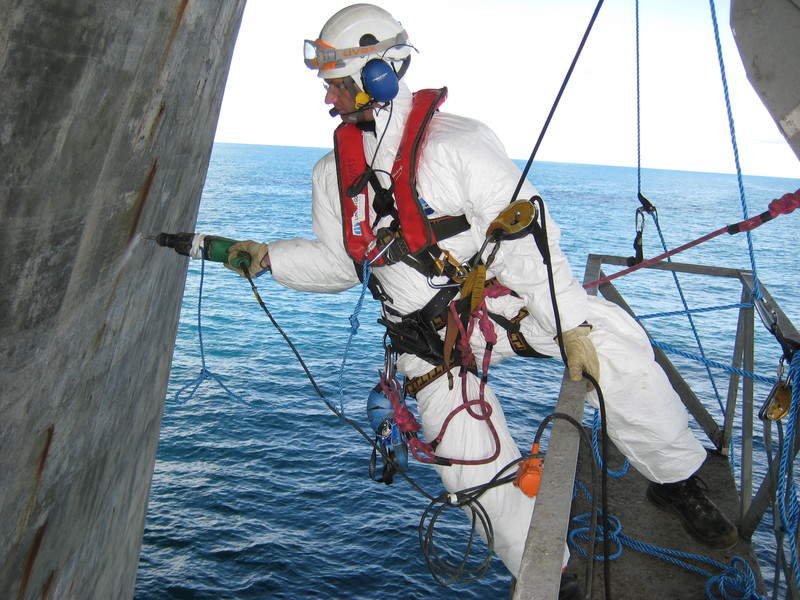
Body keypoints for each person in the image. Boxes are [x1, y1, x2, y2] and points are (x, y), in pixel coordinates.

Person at [226, 3, 737, 579]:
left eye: (337, 83)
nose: (328, 98)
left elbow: (524, 239)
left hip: (495, 309)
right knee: (468, 469)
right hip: (425, 340)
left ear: (378, 75)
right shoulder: (331, 174)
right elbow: (342, 264)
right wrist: (271, 258)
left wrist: (569, 326)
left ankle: (674, 479)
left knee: (613, 341)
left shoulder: (459, 145)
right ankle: (549, 575)